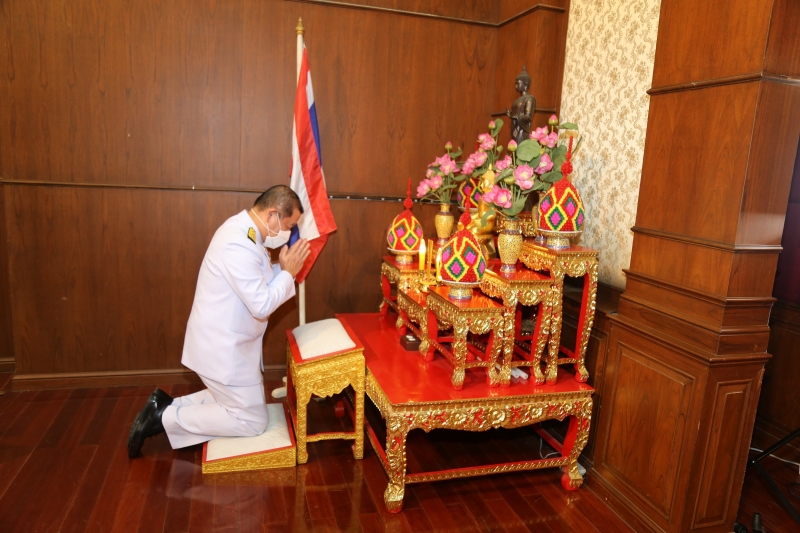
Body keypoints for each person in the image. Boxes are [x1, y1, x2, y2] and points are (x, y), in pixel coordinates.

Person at [128, 185, 311, 457]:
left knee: (245, 406)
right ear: (272, 215)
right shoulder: (238, 242)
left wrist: (283, 271)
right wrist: (287, 274)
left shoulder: (248, 233)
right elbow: (261, 304)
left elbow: (256, 281)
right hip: (222, 348)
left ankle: (165, 405)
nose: (288, 233)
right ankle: (164, 418)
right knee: (253, 421)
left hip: (234, 343)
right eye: (289, 226)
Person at [506, 66, 536, 145]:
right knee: (514, 148)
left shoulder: (529, 99)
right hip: (515, 128)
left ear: (525, 84)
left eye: (518, 83)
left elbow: (528, 117)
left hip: (522, 131)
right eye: (515, 84)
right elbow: (516, 114)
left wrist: (514, 116)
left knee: (521, 148)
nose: (516, 86)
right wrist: (511, 114)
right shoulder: (517, 100)